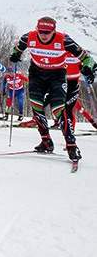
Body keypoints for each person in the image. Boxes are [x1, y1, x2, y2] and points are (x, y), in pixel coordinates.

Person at [8, 16, 94, 161]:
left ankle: (72, 146)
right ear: (37, 29)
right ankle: (46, 141)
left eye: (47, 32)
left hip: (57, 75)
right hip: (36, 74)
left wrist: (87, 67)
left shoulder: (64, 40)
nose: (43, 35)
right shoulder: (28, 37)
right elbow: (16, 50)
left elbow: (88, 58)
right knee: (36, 106)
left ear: (54, 31)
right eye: (41, 31)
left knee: (58, 109)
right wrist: (15, 55)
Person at [64, 55, 97, 130]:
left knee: (72, 106)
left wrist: (88, 70)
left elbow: (90, 62)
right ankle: (92, 122)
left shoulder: (77, 51)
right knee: (74, 106)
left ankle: (71, 128)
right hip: (61, 83)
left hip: (72, 84)